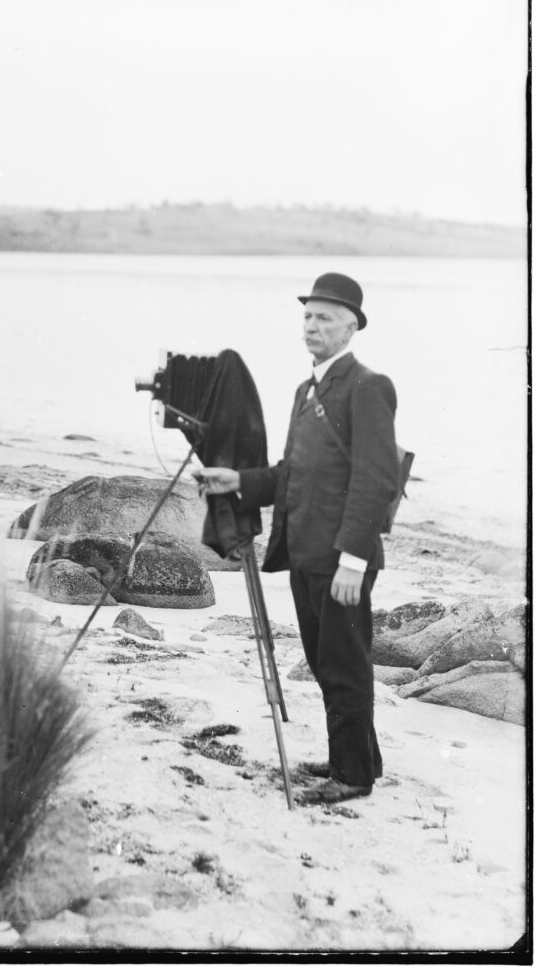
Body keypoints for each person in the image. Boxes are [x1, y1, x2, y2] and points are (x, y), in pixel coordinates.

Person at [196, 272, 399, 804]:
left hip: (342, 558)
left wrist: (355, 560)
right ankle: (354, 760)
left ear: (351, 328)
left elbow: (376, 479)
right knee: (322, 657)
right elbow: (292, 473)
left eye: (325, 318)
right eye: (307, 316)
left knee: (343, 662)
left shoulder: (367, 386)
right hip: (308, 550)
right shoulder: (307, 389)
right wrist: (239, 482)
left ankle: (352, 778)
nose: (312, 326)